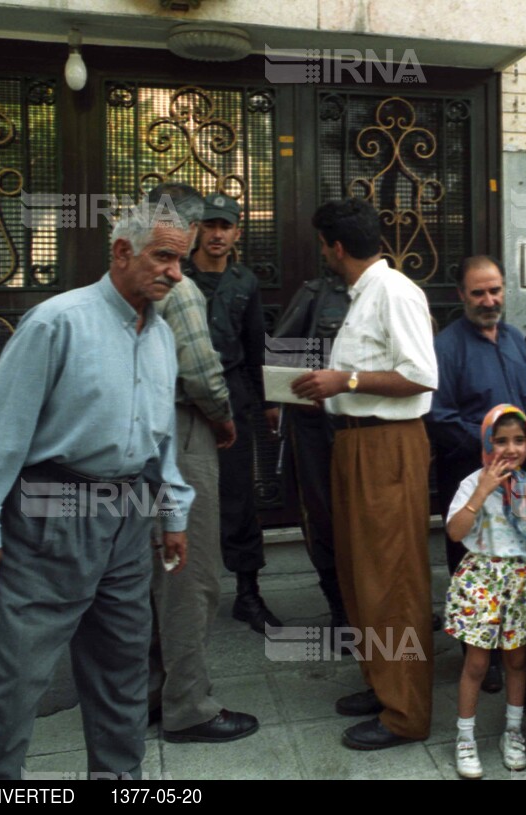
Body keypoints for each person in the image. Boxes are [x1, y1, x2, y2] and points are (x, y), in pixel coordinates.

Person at [0, 201, 195, 779]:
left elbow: (161, 437)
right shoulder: (58, 322)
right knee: (11, 685)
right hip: (48, 518)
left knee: (122, 672)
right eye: (164, 257)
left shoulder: (158, 335)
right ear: (122, 252)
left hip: (129, 520)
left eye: (180, 261)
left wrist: (173, 513)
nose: (176, 273)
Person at [291, 197, 438, 751]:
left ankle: (406, 713)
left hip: (388, 445)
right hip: (355, 444)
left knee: (392, 579)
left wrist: (344, 383)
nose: (325, 256)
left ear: (335, 247)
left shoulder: (395, 291)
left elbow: (421, 376)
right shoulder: (363, 295)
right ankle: (383, 684)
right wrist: (325, 390)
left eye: (324, 247)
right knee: (361, 574)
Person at [144, 183, 257, 744]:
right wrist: (225, 418)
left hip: (140, 437)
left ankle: (149, 691)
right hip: (184, 434)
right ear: (189, 231)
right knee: (189, 576)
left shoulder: (128, 277)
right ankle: (187, 705)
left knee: (151, 575)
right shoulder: (179, 286)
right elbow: (202, 372)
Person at [429, 255, 526, 695]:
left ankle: (512, 642)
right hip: (470, 474)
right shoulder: (447, 346)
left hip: (520, 478)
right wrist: (490, 448)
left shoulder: (516, 339)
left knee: (514, 560)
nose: (489, 300)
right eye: (478, 292)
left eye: (495, 290)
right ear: (461, 296)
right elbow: (437, 415)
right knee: (472, 563)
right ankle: (476, 652)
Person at [182, 193, 278, 633]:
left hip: (234, 395)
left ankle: (247, 593)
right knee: (181, 498)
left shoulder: (245, 281)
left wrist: (270, 401)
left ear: (238, 232)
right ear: (198, 229)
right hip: (181, 403)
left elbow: (257, 342)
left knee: (239, 496)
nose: (218, 234)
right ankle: (180, 594)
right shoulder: (177, 277)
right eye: (210, 225)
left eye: (226, 227)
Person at [444, 405, 526, 779]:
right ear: (487, 441)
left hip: (521, 581)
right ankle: (465, 737)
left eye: (519, 440)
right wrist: (482, 491)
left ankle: (513, 732)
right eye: (501, 440)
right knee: (476, 663)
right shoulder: (471, 482)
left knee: (517, 661)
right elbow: (456, 532)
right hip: (481, 578)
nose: (510, 448)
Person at [270, 267, 351, 630]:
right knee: (323, 518)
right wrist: (298, 396)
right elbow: (281, 354)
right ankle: (340, 610)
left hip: (367, 428)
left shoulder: (387, 290)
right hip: (317, 431)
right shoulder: (316, 294)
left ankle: (380, 605)